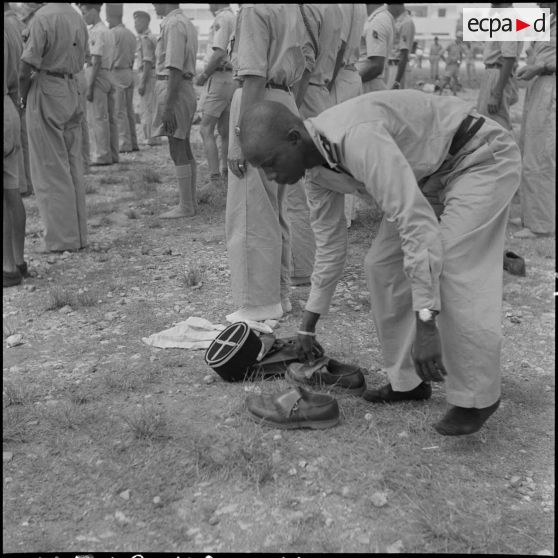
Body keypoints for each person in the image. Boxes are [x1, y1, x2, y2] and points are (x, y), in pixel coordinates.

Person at [238, 91, 521, 436]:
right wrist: (307, 326)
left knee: (452, 265)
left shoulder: (358, 138)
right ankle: (409, 382)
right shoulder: (313, 172)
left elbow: (415, 225)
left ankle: (477, 397)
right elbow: (329, 246)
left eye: (270, 163)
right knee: (381, 265)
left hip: (478, 157)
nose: (270, 175)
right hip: (426, 177)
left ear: (294, 138)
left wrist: (426, 325)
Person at [225, 4, 315, 322]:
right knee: (276, 207)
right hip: (282, 99)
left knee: (252, 208)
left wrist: (240, 140)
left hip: (258, 101)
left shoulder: (254, 9)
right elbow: (307, 65)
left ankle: (258, 302)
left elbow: (253, 76)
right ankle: (279, 293)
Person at [19, 3, 89, 254]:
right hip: (72, 86)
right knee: (72, 166)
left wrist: (22, 98)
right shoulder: (76, 16)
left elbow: (27, 66)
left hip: (48, 86)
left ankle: (62, 239)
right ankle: (79, 234)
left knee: (50, 169)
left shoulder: (42, 18)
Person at [290, 4, 343, 283]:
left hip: (304, 95)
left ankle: (301, 267)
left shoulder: (307, 7)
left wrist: (290, 108)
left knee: (295, 190)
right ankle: (322, 263)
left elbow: (305, 63)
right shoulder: (333, 8)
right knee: (321, 191)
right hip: (320, 93)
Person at [513, 2, 556, 239]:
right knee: (529, 151)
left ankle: (541, 224)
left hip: (550, 86)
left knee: (541, 155)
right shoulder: (545, 21)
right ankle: (532, 214)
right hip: (538, 86)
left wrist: (541, 66)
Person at [151, 3, 198, 219]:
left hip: (174, 88)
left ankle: (185, 205)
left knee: (176, 145)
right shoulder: (184, 22)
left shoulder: (173, 24)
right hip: (182, 87)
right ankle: (189, 201)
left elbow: (174, 67)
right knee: (183, 145)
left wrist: (168, 106)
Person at [329, 3, 366, 228]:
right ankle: (347, 213)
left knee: (334, 148)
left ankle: (341, 214)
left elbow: (339, 45)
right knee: (347, 149)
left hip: (339, 76)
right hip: (350, 74)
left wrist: (328, 81)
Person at [195, 3, 236, 189]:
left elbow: (219, 52)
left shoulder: (222, 18)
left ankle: (215, 178)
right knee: (225, 131)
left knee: (206, 129)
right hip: (232, 77)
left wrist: (204, 75)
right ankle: (226, 173)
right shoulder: (234, 16)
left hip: (219, 77)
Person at [4, 5, 27, 287]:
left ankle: (7, 267)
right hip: (9, 104)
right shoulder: (12, 26)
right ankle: (18, 261)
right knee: (11, 191)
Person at [80, 3, 119, 166]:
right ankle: (113, 153)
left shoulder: (96, 32)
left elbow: (95, 61)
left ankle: (102, 155)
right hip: (109, 73)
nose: (84, 17)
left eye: (85, 13)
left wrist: (89, 86)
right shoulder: (108, 31)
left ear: (94, 11)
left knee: (98, 117)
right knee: (110, 118)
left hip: (97, 75)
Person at [476, 4, 522, 132]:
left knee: (496, 127)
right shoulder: (501, 17)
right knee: (487, 124)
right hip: (493, 72)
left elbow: (509, 58)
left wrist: (496, 94)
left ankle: (506, 152)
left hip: (498, 73)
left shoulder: (509, 18)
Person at [5, 4, 35, 197]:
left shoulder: (7, 24)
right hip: (18, 89)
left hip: (11, 89)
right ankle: (26, 183)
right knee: (24, 140)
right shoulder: (17, 24)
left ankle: (22, 184)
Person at [107, 3, 139, 153]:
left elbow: (109, 56)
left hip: (117, 72)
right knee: (129, 110)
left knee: (118, 111)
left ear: (112, 17)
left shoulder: (113, 33)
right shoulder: (131, 34)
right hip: (129, 72)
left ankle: (123, 144)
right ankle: (133, 142)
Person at [133, 10, 161, 147]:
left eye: (137, 21)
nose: (135, 24)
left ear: (145, 22)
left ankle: (150, 137)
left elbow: (147, 62)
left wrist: (142, 83)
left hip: (148, 75)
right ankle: (153, 136)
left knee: (147, 107)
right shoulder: (150, 36)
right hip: (152, 75)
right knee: (152, 107)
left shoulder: (145, 38)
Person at [358, 3, 396, 93]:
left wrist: (352, 82)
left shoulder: (378, 21)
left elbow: (376, 66)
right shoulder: (376, 18)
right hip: (366, 84)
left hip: (368, 86)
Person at [386, 6, 415, 89]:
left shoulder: (406, 22)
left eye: (389, 5)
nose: (388, 8)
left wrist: (397, 81)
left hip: (398, 69)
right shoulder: (395, 21)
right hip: (391, 67)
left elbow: (404, 54)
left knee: (396, 98)